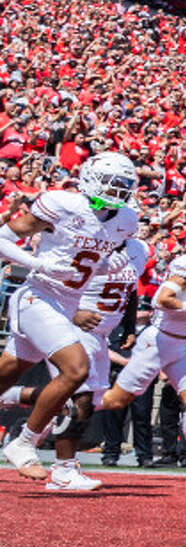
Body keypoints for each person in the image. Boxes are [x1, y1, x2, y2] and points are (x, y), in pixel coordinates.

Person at [0, 151, 143, 478]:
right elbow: (4, 237)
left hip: (66, 304)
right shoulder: (63, 204)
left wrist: (106, 264)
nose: (119, 190)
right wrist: (37, 263)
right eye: (113, 182)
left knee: (7, 373)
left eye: (124, 185)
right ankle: (24, 443)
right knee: (76, 369)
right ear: (92, 178)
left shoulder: (125, 220)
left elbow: (88, 256)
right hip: (38, 296)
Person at [2, 234, 146, 490]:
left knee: (91, 401)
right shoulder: (84, 243)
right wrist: (72, 312)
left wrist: (129, 325)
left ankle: (14, 396)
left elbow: (131, 289)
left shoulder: (138, 249)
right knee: (80, 399)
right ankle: (63, 468)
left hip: (99, 333)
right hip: (67, 322)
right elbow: (48, 283)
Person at [97, 222, 186, 478]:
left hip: (180, 344)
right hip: (159, 342)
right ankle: (60, 406)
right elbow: (161, 299)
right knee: (116, 400)